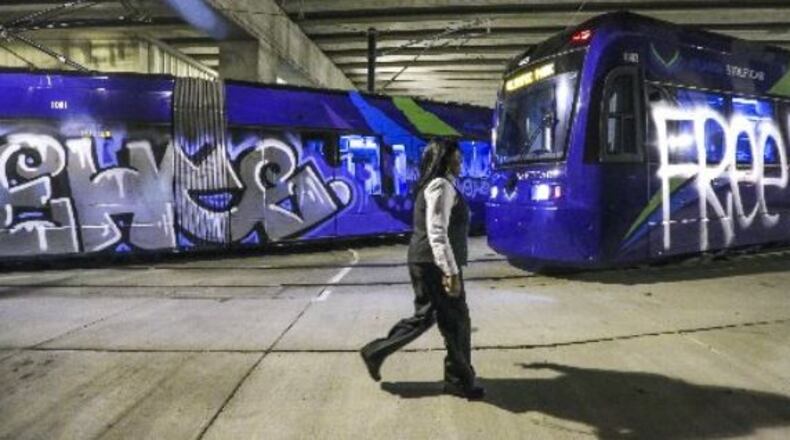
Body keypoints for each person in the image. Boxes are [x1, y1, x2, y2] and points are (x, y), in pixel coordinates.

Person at [359, 138, 484, 400]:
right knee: (457, 322)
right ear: (445, 159)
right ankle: (460, 381)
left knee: (429, 318)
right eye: (457, 156)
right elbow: (436, 231)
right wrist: (450, 271)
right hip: (434, 264)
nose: (461, 160)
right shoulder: (440, 185)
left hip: (426, 261)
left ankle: (376, 352)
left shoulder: (437, 184)